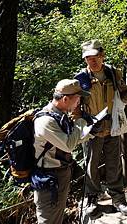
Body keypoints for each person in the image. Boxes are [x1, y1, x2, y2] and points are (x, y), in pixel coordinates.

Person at [73, 39, 127, 218]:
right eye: (88, 58)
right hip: (91, 128)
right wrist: (81, 126)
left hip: (112, 125)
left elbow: (124, 93)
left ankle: (118, 198)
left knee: (114, 161)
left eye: (95, 57)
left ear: (102, 55)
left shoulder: (113, 73)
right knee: (91, 164)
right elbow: (75, 108)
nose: (92, 61)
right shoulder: (80, 79)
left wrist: (125, 98)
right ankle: (92, 199)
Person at [33, 78, 97, 224]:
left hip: (60, 173)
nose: (79, 103)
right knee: (48, 219)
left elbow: (67, 140)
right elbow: (68, 144)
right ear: (65, 99)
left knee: (57, 216)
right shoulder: (46, 121)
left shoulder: (60, 116)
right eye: (77, 99)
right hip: (48, 178)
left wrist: (91, 132)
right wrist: (80, 121)